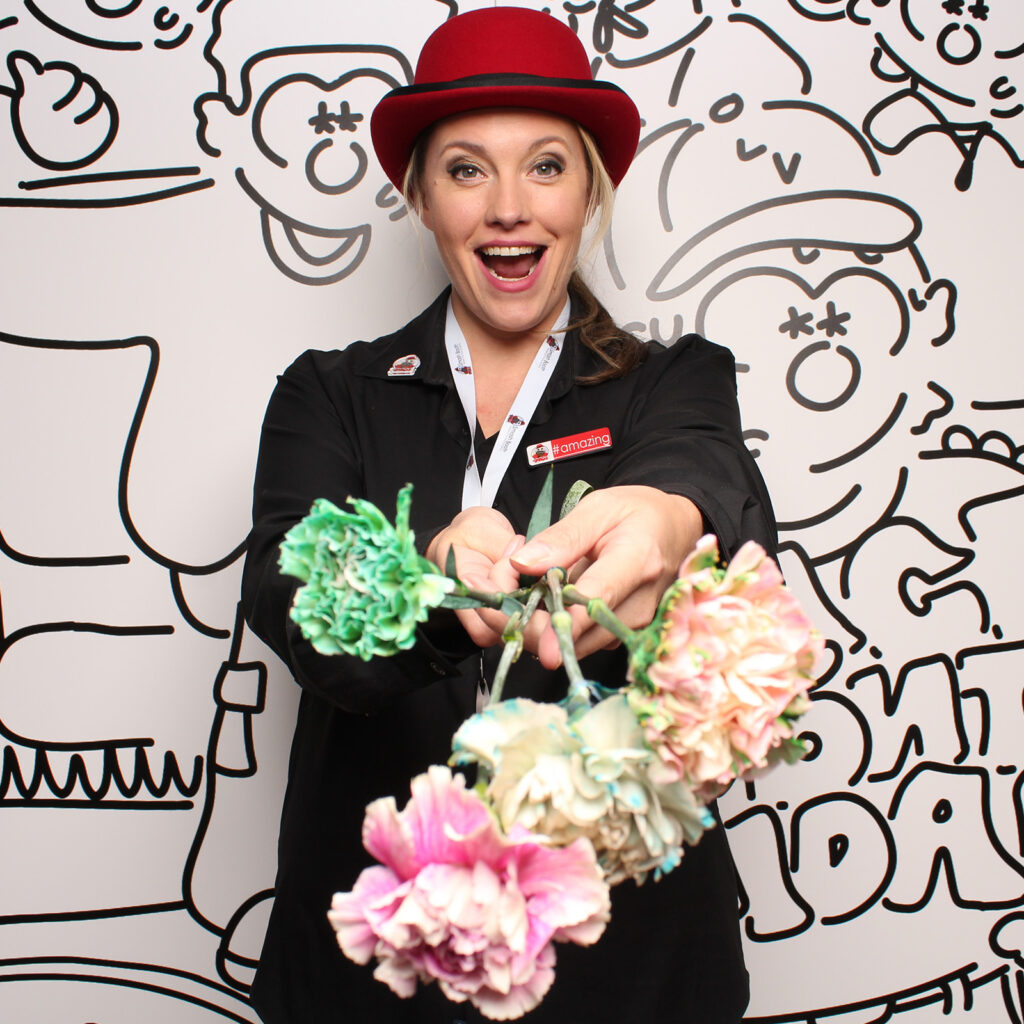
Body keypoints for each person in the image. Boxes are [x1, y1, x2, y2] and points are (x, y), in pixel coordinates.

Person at [241, 8, 775, 1023]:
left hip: (629, 968)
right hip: (379, 965)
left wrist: (665, 520)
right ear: (420, 196)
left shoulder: (673, 382)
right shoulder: (331, 395)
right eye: (465, 170)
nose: (508, 209)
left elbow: (707, 474)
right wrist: (431, 584)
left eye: (545, 167)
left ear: (589, 192)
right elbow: (287, 596)